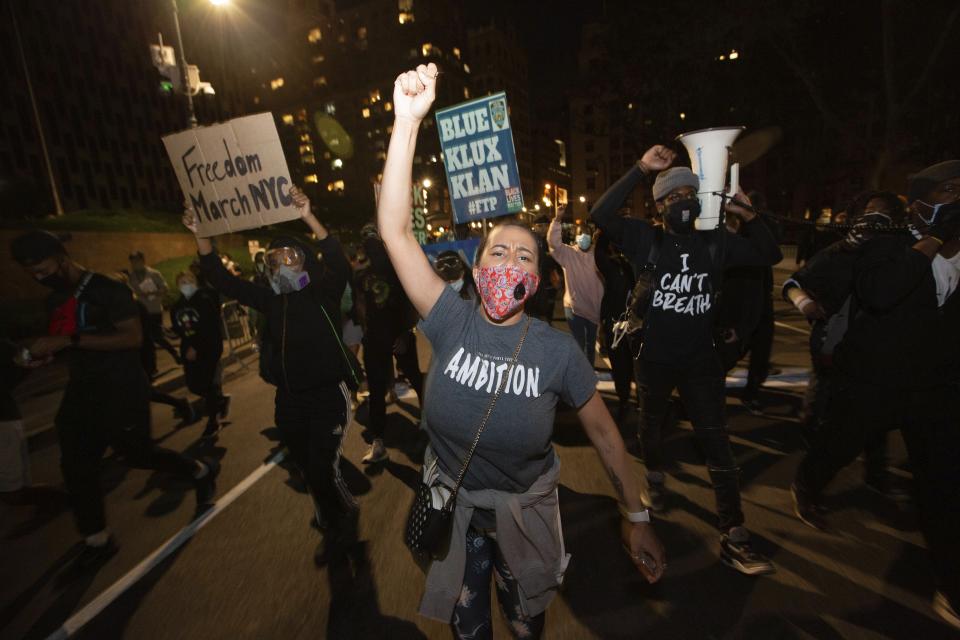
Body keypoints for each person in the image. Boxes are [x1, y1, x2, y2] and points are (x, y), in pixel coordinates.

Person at [378, 63, 664, 640]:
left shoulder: (557, 352)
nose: (509, 263)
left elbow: (608, 437)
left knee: (525, 622)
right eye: (497, 253)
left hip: (523, 519)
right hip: (456, 514)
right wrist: (406, 124)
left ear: (538, 281)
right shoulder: (450, 318)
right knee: (469, 628)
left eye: (524, 257)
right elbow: (396, 233)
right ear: (478, 267)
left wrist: (636, 516)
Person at [591, 150, 783, 576]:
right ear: (658, 207)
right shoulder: (646, 240)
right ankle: (655, 474)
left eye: (687, 193)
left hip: (700, 364)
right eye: (670, 195)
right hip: (654, 363)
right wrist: (640, 169)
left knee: (719, 446)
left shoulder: (715, 243)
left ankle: (734, 533)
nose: (680, 200)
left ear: (698, 201)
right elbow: (600, 213)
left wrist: (748, 215)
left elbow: (767, 254)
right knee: (650, 429)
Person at [790, 161, 960, 630]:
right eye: (952, 191)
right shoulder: (886, 246)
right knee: (839, 444)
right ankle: (807, 482)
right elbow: (881, 292)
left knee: (943, 488)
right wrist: (932, 241)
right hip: (875, 381)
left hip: (935, 391)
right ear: (922, 205)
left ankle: (951, 584)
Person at [10, 231, 218, 571]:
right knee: (75, 463)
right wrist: (39, 356)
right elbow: (64, 343)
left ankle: (197, 470)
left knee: (137, 453)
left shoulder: (106, 288)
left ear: (61, 257)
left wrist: (68, 340)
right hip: (82, 390)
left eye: (43, 268)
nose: (39, 277)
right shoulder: (55, 299)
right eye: (31, 272)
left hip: (122, 387)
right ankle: (96, 538)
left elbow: (131, 337)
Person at [183, 187, 356, 565]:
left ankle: (339, 517)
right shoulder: (270, 300)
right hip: (290, 400)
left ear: (305, 262)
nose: (281, 265)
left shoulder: (324, 293)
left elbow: (338, 262)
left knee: (320, 465)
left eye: (289, 257)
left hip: (329, 396)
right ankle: (329, 506)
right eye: (273, 259)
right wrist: (202, 235)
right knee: (302, 460)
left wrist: (309, 216)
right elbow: (222, 280)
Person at [783, 190, 907, 494]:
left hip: (878, 355)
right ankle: (809, 479)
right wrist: (807, 306)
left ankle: (875, 473)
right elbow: (792, 284)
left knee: (874, 418)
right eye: (869, 212)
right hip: (833, 350)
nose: (875, 219)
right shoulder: (838, 254)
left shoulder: (902, 255)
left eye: (883, 214)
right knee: (826, 417)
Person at [354, 223, 424, 464]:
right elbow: (362, 306)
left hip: (399, 336)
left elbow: (412, 302)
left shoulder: (398, 269)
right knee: (375, 391)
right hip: (374, 341)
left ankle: (429, 427)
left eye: (374, 240)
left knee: (415, 377)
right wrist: (366, 334)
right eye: (367, 242)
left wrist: (405, 333)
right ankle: (378, 442)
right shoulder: (361, 274)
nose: (371, 247)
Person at [171, 271, 227, 440]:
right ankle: (218, 400)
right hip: (189, 350)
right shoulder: (177, 306)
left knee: (207, 383)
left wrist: (195, 346)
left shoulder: (204, 300)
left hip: (207, 348)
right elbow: (180, 327)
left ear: (195, 282)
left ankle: (213, 421)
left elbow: (209, 326)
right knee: (193, 385)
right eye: (182, 281)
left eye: (189, 280)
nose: (186, 284)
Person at [547, 211, 604, 366]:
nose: (583, 237)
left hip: (593, 309)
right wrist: (557, 220)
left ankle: (588, 374)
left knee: (590, 345)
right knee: (579, 344)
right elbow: (553, 243)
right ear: (576, 236)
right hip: (573, 307)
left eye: (587, 234)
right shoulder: (568, 253)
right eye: (581, 234)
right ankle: (579, 376)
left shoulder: (598, 255)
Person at [594, 229, 637, 423]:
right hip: (616, 325)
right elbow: (600, 256)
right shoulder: (615, 266)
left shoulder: (641, 265)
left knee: (633, 365)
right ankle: (624, 401)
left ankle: (636, 403)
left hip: (636, 325)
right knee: (620, 365)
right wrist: (604, 231)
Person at [127, 251, 179, 368]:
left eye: (137, 261)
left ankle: (174, 352)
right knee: (147, 340)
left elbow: (165, 289)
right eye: (132, 262)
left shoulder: (154, 274)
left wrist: (152, 292)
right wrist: (136, 294)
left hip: (154, 309)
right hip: (141, 312)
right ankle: (151, 366)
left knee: (157, 336)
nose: (135, 264)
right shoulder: (131, 277)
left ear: (143, 261)